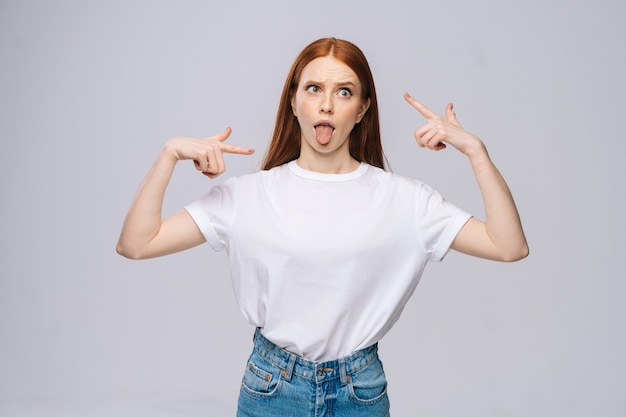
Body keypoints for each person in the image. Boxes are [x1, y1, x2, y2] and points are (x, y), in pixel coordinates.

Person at [117, 37, 528, 417]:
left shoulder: (406, 200)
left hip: (360, 390)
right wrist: (169, 154)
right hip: (272, 388)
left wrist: (476, 151)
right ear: (294, 102)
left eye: (344, 92)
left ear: (362, 108)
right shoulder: (247, 196)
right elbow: (137, 243)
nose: (327, 105)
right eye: (313, 89)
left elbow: (508, 245)